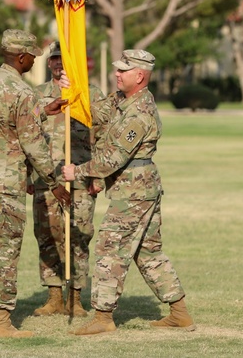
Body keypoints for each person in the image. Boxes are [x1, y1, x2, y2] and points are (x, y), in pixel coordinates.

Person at [62, 49, 195, 336]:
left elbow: (113, 159)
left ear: (140, 75)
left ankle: (103, 317)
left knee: (109, 248)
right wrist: (72, 92)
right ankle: (180, 314)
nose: (117, 74)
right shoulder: (122, 101)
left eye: (123, 70)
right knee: (148, 253)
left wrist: (79, 172)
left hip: (134, 191)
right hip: (134, 188)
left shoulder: (139, 112)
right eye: (117, 69)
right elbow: (95, 113)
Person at [0, 29, 72, 340]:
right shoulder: (23, 92)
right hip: (6, 181)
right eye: (33, 57)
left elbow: (0, 124)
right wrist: (53, 181)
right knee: (4, 251)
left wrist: (41, 112)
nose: (35, 61)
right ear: (22, 57)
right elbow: (33, 144)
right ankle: (2, 325)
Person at [30, 42, 104, 318]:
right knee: (48, 235)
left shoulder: (90, 94)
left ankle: (76, 297)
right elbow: (28, 136)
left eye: (65, 60)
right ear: (49, 63)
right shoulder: (37, 96)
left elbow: (104, 136)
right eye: (55, 60)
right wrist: (28, 174)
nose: (59, 64)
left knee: (79, 235)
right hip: (46, 177)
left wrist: (98, 176)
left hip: (81, 178)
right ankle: (53, 296)